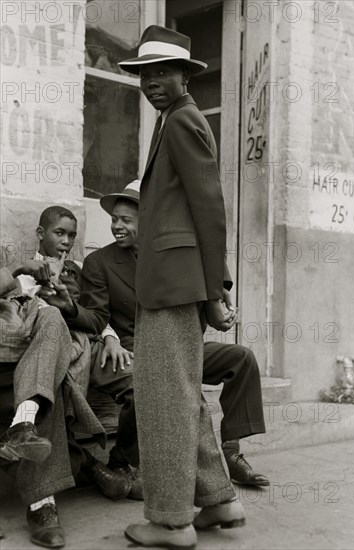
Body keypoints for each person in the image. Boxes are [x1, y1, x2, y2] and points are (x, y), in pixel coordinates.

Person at [117, 25, 245, 548]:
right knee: (180, 393)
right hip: (170, 281)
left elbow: (209, 209)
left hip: (175, 284)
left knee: (162, 399)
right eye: (146, 74)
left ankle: (171, 520)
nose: (152, 82)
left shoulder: (183, 121)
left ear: (186, 76)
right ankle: (218, 501)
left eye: (163, 72)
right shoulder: (172, 120)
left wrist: (217, 289)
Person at [67, 181, 268, 491]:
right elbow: (96, 316)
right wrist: (94, 326)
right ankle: (125, 461)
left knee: (241, 359)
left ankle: (232, 452)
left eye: (125, 220)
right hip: (132, 350)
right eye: (114, 219)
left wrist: (220, 292)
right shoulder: (100, 263)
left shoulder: (169, 255)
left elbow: (206, 249)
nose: (116, 226)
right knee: (150, 383)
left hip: (180, 346)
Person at [34, 206, 136, 499]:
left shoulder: (79, 269)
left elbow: (97, 313)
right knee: (52, 390)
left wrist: (111, 338)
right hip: (53, 350)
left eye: (72, 236)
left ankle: (123, 461)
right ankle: (89, 466)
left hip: (92, 346)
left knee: (140, 382)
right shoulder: (25, 269)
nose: (66, 241)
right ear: (41, 234)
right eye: (60, 233)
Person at [0, 259, 74, 549]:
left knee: (53, 316)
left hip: (15, 340)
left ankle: (23, 421)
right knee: (46, 378)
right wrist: (18, 268)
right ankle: (41, 503)